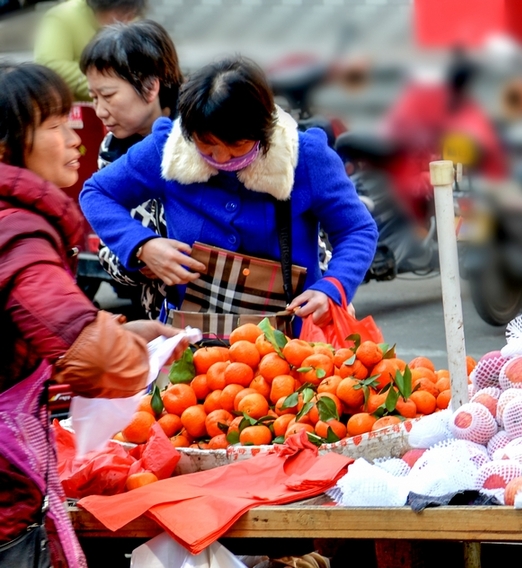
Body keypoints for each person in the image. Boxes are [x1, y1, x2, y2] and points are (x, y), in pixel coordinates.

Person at [0, 63, 184, 567]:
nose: (77, 134)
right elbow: (101, 362)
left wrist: (123, 332)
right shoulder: (17, 236)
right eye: (56, 126)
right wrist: (123, 349)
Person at [80, 55, 379, 330]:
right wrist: (143, 245)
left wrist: (333, 287)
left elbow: (357, 229)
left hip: (295, 343)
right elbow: (96, 194)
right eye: (207, 146)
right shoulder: (167, 150)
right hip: (195, 340)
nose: (222, 159)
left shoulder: (306, 158)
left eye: (237, 146)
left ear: (264, 133)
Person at [80, 19, 182, 320]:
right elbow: (108, 247)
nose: (99, 111)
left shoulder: (202, 137)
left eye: (108, 96)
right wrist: (139, 254)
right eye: (94, 97)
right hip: (163, 317)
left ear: (151, 86)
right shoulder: (112, 149)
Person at [33, 0, 146, 102]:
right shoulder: (63, 16)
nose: (126, 20)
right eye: (121, 13)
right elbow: (50, 65)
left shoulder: (131, 20)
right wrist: (110, 85)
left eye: (131, 15)